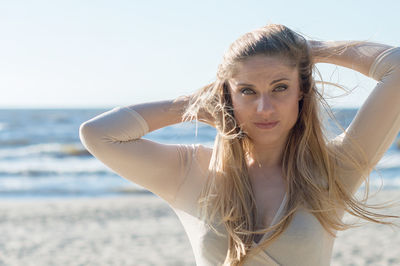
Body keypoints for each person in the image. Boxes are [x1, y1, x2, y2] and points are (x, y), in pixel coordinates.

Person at [79, 24, 400, 265]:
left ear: (301, 90)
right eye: (247, 90)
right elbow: (98, 134)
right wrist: (194, 103)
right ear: (228, 95)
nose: (264, 108)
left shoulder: (333, 169)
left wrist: (312, 49)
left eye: (279, 87)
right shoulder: (191, 172)